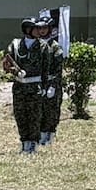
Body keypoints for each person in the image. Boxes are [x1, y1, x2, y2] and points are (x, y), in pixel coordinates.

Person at [2, 17, 53, 153]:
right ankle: (24, 142)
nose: (39, 31)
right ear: (27, 30)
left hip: (35, 87)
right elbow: (7, 64)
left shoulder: (43, 46)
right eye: (35, 28)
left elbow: (45, 70)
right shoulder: (16, 45)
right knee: (20, 115)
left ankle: (33, 144)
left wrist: (46, 87)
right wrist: (12, 70)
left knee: (35, 116)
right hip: (19, 87)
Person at [34, 15, 65, 146]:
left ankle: (50, 135)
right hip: (39, 82)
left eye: (44, 28)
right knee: (38, 109)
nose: (42, 31)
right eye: (39, 28)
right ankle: (40, 135)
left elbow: (58, 69)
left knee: (51, 111)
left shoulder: (55, 46)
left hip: (52, 82)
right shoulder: (36, 45)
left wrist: (52, 85)